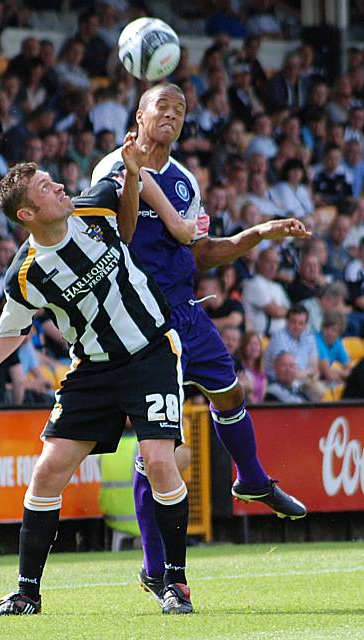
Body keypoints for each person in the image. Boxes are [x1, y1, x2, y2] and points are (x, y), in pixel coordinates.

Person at [91, 83, 309, 605]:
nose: (171, 114)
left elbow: (203, 250)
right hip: (143, 322)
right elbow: (108, 240)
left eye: (180, 110)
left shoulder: (185, 181)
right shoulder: (111, 169)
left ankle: (251, 479)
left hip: (187, 310)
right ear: (138, 117)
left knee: (230, 394)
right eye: (160, 107)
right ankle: (156, 570)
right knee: (164, 450)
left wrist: (259, 232)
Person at [0, 136, 195, 616]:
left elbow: (132, 212)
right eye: (47, 188)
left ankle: (174, 582)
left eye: (53, 180)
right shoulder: (26, 275)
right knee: (47, 473)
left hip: (149, 351)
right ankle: (27, 592)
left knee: (158, 460)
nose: (60, 186)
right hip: (92, 368)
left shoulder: (94, 207)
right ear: (27, 215)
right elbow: (11, 328)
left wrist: (133, 172)